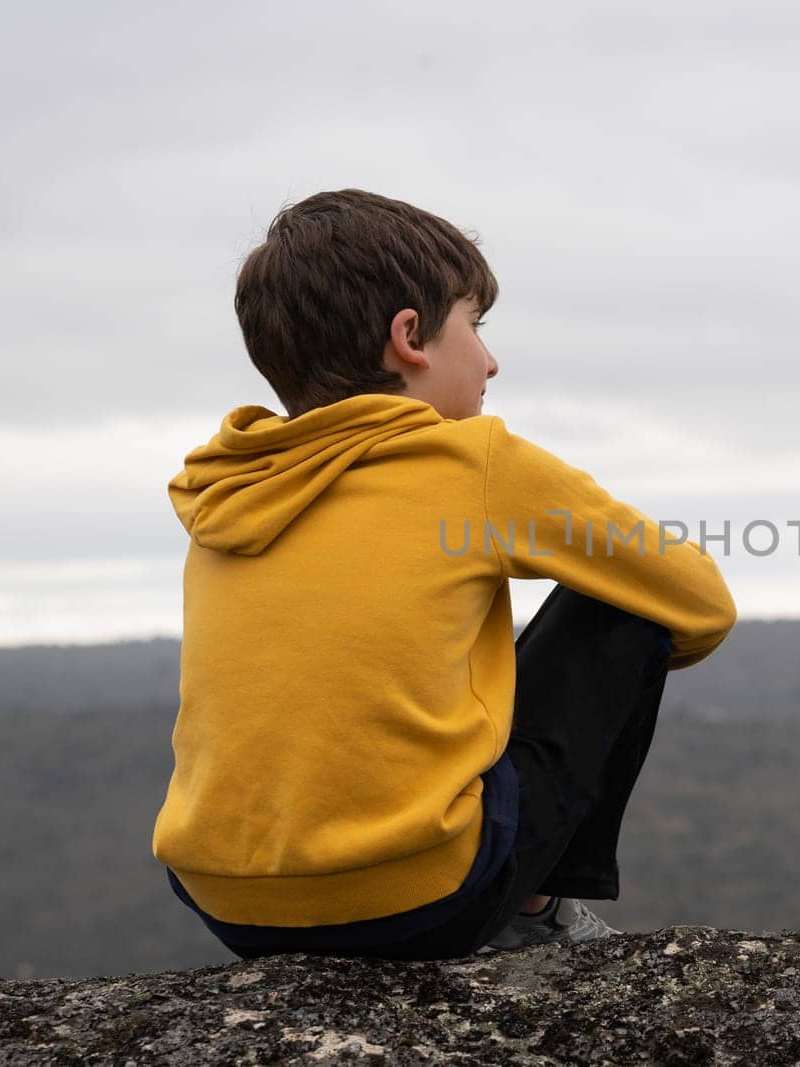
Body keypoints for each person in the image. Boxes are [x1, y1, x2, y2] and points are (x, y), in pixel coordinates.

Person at [151, 189, 738, 961]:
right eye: (475, 323)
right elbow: (700, 601)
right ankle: (537, 908)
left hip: (228, 903)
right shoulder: (475, 462)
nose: (491, 359)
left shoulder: (231, 483)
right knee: (627, 606)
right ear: (409, 339)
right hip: (421, 902)